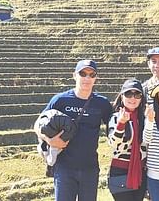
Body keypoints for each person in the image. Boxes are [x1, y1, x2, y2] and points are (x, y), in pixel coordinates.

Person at [37, 59, 113, 201]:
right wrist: (50, 140)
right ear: (74, 75)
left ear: (96, 78)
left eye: (91, 74)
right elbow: (38, 124)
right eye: (83, 73)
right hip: (64, 168)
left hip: (90, 168)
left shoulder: (102, 103)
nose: (87, 78)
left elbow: (115, 126)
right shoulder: (60, 100)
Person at [107, 78, 147, 200]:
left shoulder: (144, 119)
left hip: (140, 171)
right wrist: (121, 124)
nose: (133, 98)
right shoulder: (116, 117)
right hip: (120, 171)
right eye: (129, 94)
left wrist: (150, 121)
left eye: (137, 94)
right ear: (122, 96)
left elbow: (147, 142)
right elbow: (115, 144)